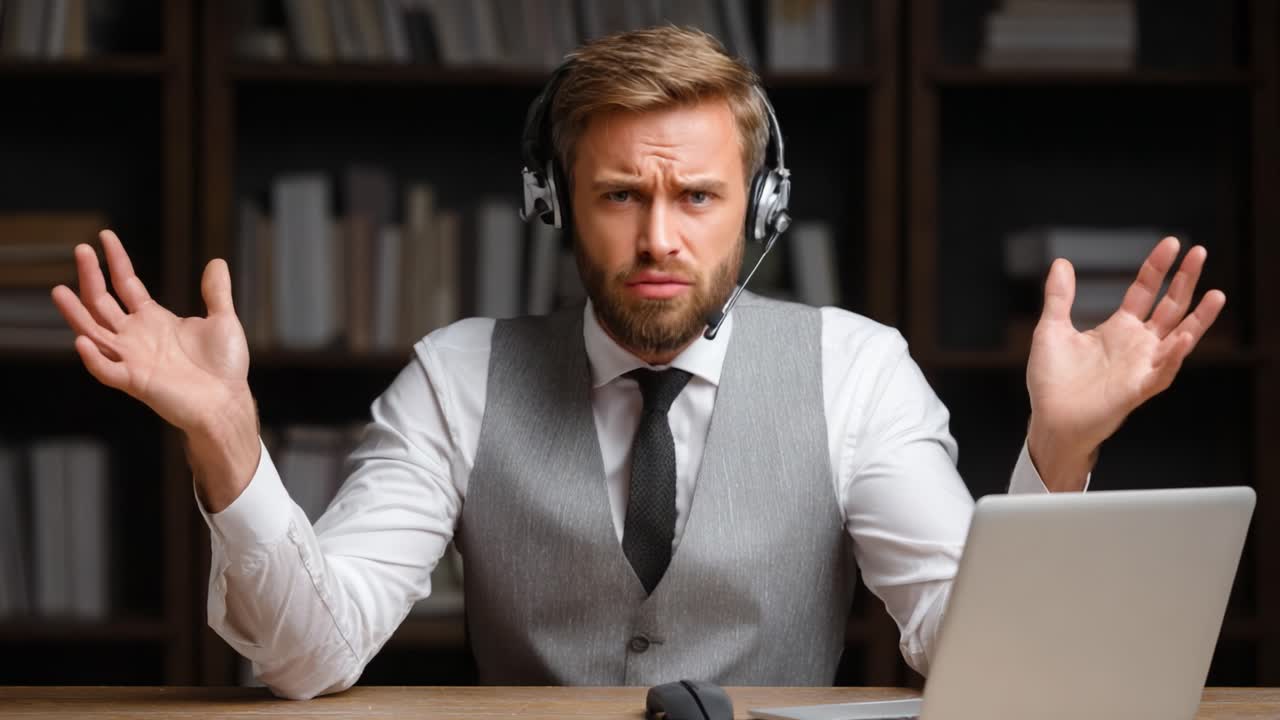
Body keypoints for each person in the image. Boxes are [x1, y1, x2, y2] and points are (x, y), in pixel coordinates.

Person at [50, 26, 1224, 701]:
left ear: (757, 207)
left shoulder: (856, 372)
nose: (658, 237)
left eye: (696, 197)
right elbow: (312, 655)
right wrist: (228, 441)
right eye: (619, 195)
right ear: (553, 202)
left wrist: (1058, 456)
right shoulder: (456, 378)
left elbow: (980, 663)